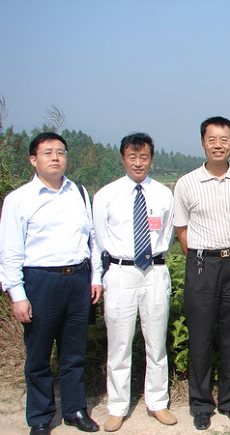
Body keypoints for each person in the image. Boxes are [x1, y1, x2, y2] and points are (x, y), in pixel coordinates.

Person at [0, 132, 101, 435]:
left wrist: (95, 277)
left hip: (78, 279)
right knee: (39, 355)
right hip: (41, 281)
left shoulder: (78, 192)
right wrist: (18, 294)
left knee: (74, 352)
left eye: (61, 151)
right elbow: (10, 251)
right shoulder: (19, 200)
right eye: (48, 152)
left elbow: (92, 239)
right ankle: (40, 417)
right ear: (33, 160)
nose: (56, 157)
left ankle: (75, 410)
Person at [92, 133, 176, 432]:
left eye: (143, 157)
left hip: (155, 271)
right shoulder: (106, 195)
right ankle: (117, 406)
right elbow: (98, 239)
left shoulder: (163, 194)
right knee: (119, 342)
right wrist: (98, 275)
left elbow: (167, 233)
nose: (138, 163)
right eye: (132, 157)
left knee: (156, 342)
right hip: (120, 272)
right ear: (123, 158)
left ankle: (158, 402)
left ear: (151, 159)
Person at [173, 117, 230, 431]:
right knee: (201, 336)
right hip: (202, 264)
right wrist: (200, 259)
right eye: (212, 139)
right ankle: (201, 403)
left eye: (224, 139)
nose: (218, 145)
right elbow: (181, 230)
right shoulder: (187, 182)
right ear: (202, 142)